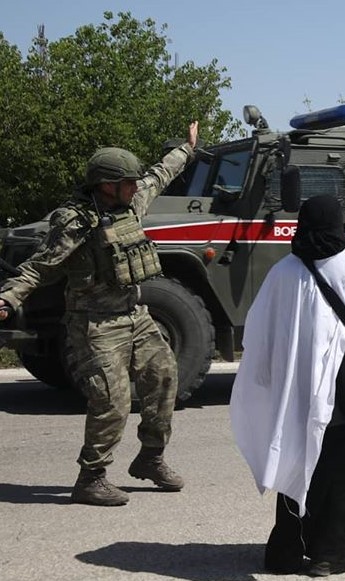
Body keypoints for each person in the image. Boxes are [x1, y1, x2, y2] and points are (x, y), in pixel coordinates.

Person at [0, 122, 199, 506]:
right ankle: (91, 477)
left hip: (135, 315)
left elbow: (161, 173)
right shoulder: (76, 222)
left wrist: (188, 150)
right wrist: (8, 298)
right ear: (106, 185)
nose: (136, 186)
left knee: (164, 377)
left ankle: (150, 458)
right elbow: (40, 267)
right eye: (128, 181)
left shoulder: (133, 202)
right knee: (111, 399)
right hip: (94, 325)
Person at [229, 195, 345, 577]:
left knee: (295, 460)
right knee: (344, 471)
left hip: (294, 392)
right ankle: (332, 554)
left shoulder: (283, 271)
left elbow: (260, 334)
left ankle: (286, 552)